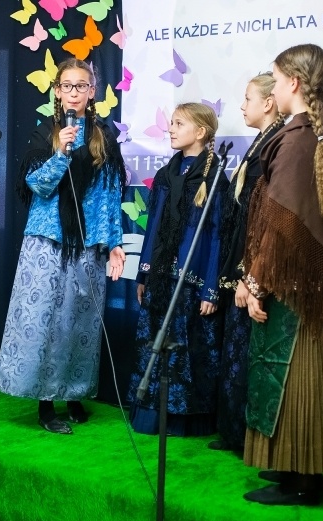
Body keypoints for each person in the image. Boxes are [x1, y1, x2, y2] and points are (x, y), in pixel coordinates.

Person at [241, 44, 323, 505]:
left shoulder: (297, 140)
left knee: (296, 376)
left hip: (296, 284)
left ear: (292, 82)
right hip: (316, 281)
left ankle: (303, 480)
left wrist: (254, 282)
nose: (274, 85)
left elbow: (281, 224)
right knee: (301, 375)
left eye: (276, 77)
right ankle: (296, 471)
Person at [0, 58, 126, 435]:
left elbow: (108, 195)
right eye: (67, 86)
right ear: (57, 91)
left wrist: (113, 243)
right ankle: (45, 404)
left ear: (92, 91)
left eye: (81, 86)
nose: (74, 93)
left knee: (80, 320)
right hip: (48, 242)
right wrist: (61, 154)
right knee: (47, 322)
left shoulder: (105, 135)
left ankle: (74, 395)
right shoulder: (46, 133)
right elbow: (37, 186)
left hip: (87, 245)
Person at [126, 102, 227, 436]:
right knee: (153, 343)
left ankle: (185, 422)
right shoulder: (166, 174)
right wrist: (144, 273)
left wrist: (210, 288)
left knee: (185, 351)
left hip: (190, 282)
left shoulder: (214, 178)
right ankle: (149, 415)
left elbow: (216, 238)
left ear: (200, 132)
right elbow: (153, 225)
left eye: (179, 124)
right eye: (171, 122)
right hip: (160, 277)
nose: (170, 128)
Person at [210, 73, 286, 453]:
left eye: (247, 99)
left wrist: (250, 276)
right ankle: (233, 432)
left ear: (268, 103)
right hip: (240, 260)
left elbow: (265, 220)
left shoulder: (277, 144)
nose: (242, 106)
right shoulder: (260, 142)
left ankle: (248, 437)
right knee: (235, 350)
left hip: (256, 267)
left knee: (250, 352)